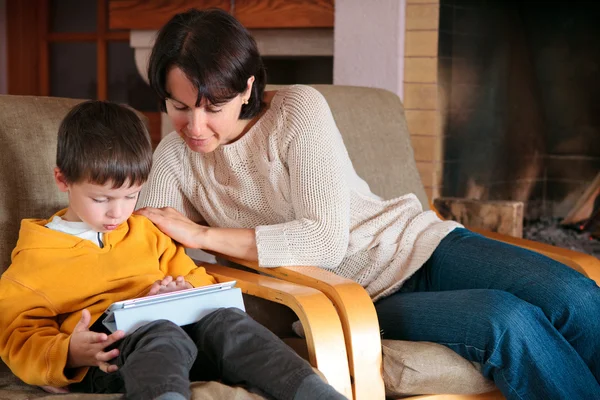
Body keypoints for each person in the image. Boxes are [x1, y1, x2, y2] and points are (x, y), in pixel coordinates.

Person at [135, 7, 600, 400]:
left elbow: (323, 237)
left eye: (212, 107)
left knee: (577, 296)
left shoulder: (298, 110)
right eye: (179, 106)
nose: (194, 126)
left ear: (247, 88)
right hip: (358, 298)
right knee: (508, 321)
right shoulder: (175, 156)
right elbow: (144, 246)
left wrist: (201, 235)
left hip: (420, 244)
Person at [0, 101, 346, 400]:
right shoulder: (37, 256)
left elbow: (200, 281)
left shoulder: (146, 232)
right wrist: (69, 353)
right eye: (101, 199)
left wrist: (185, 292)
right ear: (63, 180)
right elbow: (17, 335)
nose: (117, 213)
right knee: (157, 329)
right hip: (114, 353)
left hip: (186, 337)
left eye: (130, 196)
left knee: (230, 323)